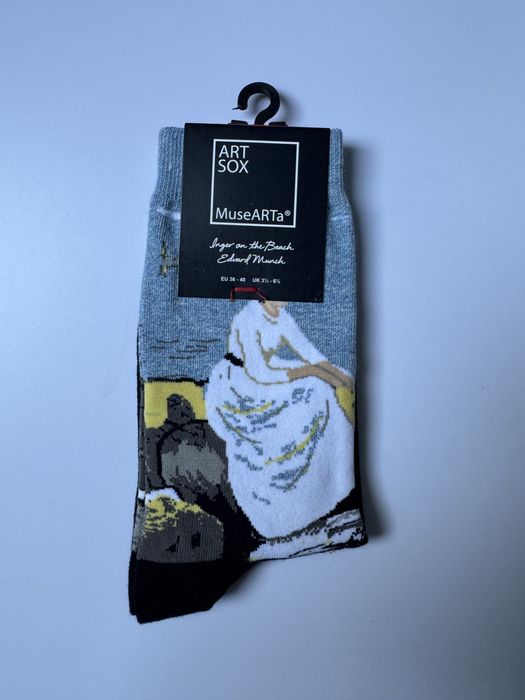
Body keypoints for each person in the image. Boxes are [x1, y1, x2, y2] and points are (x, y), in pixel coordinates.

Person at [204, 299, 355, 540]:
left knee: (324, 387)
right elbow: (259, 373)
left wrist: (342, 378)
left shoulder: (283, 318)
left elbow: (309, 354)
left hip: (269, 373)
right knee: (314, 386)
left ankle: (329, 485)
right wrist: (313, 372)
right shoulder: (247, 319)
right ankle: (276, 512)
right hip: (239, 384)